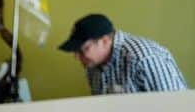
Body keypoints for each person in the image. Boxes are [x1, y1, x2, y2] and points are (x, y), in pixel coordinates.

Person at [59, 13, 187, 95]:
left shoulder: (143, 58)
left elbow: (175, 111)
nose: (77, 57)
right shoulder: (92, 65)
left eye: (83, 49)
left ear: (104, 41)